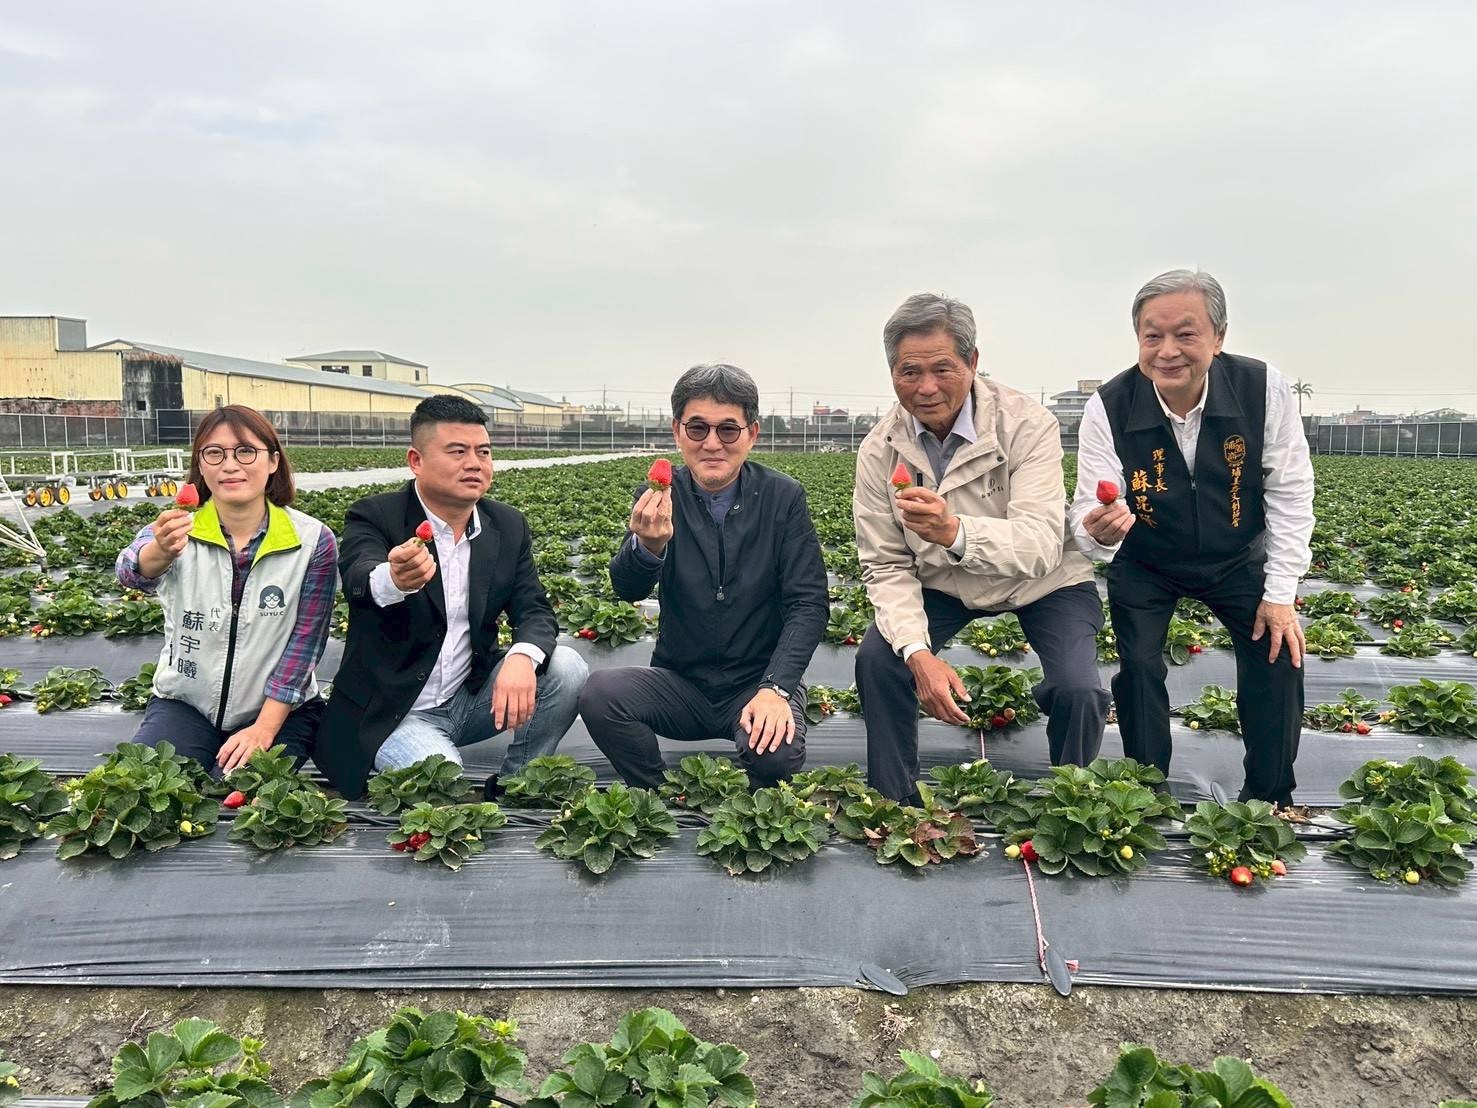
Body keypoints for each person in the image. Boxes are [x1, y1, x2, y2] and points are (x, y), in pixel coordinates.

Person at [1069, 268, 1313, 806]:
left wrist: (1279, 594)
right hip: (1148, 558)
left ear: (1218, 338)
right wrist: (1097, 530)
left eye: (1186, 334)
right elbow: (1090, 506)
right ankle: (1146, 790)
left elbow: (1291, 494)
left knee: (1278, 653)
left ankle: (1270, 796)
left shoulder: (1261, 388)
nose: (1167, 351)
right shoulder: (1108, 405)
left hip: (1236, 555)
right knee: (1137, 664)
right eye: (1152, 336)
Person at [854, 293, 1110, 802]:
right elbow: (885, 564)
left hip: (1046, 582)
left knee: (1078, 689)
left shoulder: (1026, 424)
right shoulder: (880, 450)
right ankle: (894, 802)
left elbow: (1040, 544)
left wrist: (954, 533)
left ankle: (1070, 800)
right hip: (943, 584)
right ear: (892, 374)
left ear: (973, 362)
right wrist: (916, 652)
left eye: (942, 368)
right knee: (879, 661)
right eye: (909, 372)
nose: (926, 388)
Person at [314, 395, 587, 800]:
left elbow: (534, 609)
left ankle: (518, 784)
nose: (474, 463)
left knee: (565, 666)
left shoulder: (506, 526)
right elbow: (359, 577)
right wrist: (394, 578)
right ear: (416, 460)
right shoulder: (375, 516)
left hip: (470, 698)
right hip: (394, 713)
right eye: (457, 452)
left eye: (483, 452)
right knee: (444, 785)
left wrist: (520, 658)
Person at [577, 364, 829, 789]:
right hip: (681, 685)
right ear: (677, 431)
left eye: (728, 430)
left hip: (756, 682)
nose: (712, 443)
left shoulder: (782, 497)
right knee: (600, 694)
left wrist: (777, 688)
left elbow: (809, 603)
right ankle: (655, 793)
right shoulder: (658, 496)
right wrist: (649, 548)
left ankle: (759, 805)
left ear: (752, 433)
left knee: (777, 757)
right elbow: (627, 588)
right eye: (698, 428)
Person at [116, 404, 335, 774]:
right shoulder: (176, 530)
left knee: (243, 793)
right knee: (143, 784)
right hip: (186, 704)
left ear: (273, 462)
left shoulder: (312, 541)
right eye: (214, 453)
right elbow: (131, 571)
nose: (230, 465)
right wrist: (161, 551)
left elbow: (305, 645)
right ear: (200, 466)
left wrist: (263, 729)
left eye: (246, 451)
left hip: (279, 709)